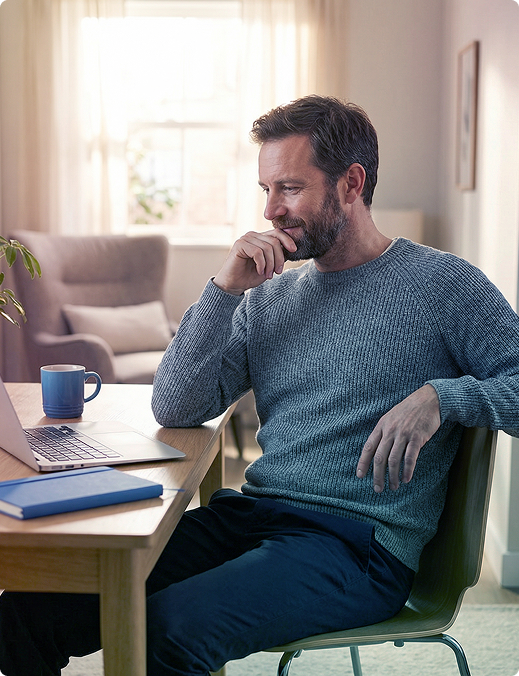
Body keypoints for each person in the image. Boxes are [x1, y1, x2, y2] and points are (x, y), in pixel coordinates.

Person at [1, 95, 519, 676]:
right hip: (252, 517)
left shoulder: (444, 285)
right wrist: (223, 291)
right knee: (28, 607)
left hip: (357, 545)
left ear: (351, 183)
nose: (271, 210)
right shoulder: (267, 298)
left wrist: (445, 398)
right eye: (266, 190)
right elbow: (175, 404)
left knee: (169, 631)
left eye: (290, 188)